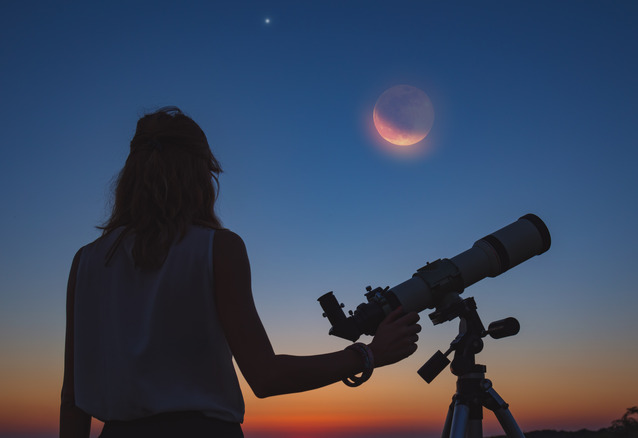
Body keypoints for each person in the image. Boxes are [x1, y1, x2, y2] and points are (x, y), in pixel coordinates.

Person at [59, 107, 421, 438]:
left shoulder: (87, 260)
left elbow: (72, 397)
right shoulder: (217, 248)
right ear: (201, 174)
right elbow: (265, 376)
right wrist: (372, 354)